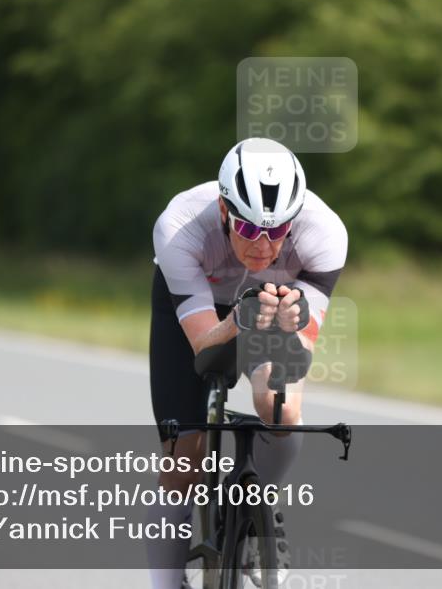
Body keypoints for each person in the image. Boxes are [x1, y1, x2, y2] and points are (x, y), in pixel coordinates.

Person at [146, 137, 348, 588]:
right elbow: (205, 348)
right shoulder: (179, 225)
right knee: (183, 461)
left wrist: (290, 331)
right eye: (249, 229)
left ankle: (260, 505)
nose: (262, 245)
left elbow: (299, 355)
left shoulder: (325, 234)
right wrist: (238, 321)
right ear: (224, 210)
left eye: (277, 233)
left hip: (273, 305)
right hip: (200, 310)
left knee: (282, 409)